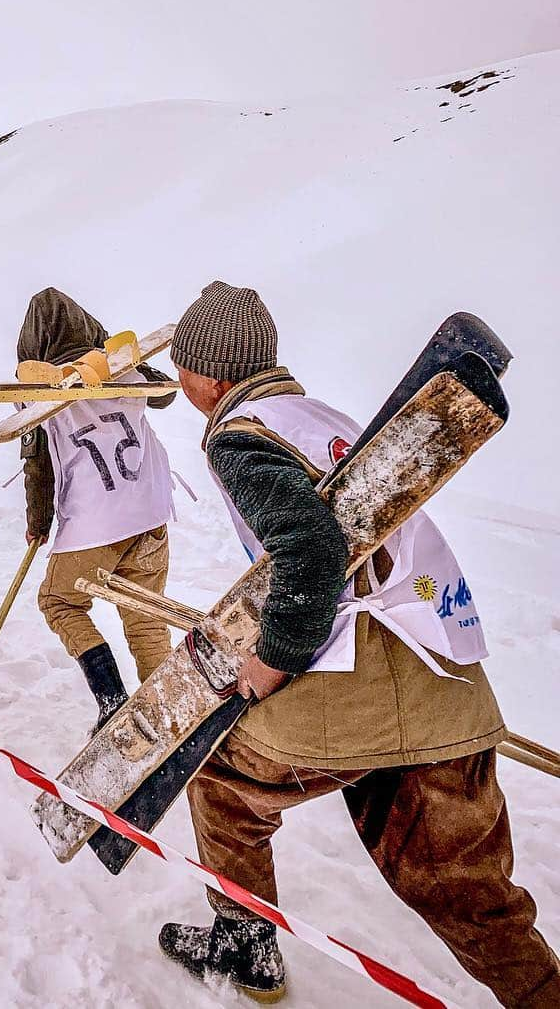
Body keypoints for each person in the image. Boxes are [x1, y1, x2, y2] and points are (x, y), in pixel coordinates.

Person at [159, 280, 559, 1007]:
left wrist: (274, 659)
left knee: (220, 780)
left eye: (182, 365)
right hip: (445, 670)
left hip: (363, 674)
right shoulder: (315, 416)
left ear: (210, 375)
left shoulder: (239, 433)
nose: (178, 379)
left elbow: (309, 549)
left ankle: (246, 945)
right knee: (469, 895)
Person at [18, 287, 176, 728]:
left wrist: (38, 522)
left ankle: (112, 701)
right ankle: (167, 712)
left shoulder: (42, 393)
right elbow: (166, 395)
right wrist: (122, 359)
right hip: (149, 512)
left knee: (58, 602)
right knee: (145, 618)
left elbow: (39, 464)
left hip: (96, 521)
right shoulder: (121, 372)